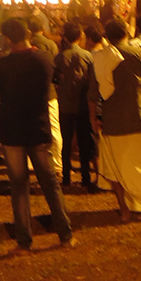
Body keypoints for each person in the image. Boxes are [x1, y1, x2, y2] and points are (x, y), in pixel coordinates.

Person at [0, 18, 75, 253]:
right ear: (28, 33)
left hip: (12, 130)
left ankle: (24, 241)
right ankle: (65, 234)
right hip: (38, 127)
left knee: (19, 188)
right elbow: (55, 82)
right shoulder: (45, 59)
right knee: (50, 183)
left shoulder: (3, 64)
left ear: (7, 38)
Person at [89, 20, 141, 222]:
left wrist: (93, 118)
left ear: (106, 37)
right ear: (126, 33)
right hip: (135, 117)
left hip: (110, 120)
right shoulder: (137, 54)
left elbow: (92, 95)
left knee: (114, 167)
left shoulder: (98, 58)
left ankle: (125, 210)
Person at [54, 20, 95, 188]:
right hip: (83, 104)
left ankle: (66, 177)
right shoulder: (87, 56)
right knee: (84, 141)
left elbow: (55, 80)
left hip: (65, 104)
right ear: (79, 36)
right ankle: (85, 176)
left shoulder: (60, 57)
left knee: (66, 141)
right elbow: (92, 81)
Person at [27, 17, 64, 175]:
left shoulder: (27, 45)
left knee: (30, 126)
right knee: (54, 127)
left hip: (31, 91)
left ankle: (31, 162)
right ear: (42, 27)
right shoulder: (51, 44)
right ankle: (57, 162)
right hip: (49, 91)